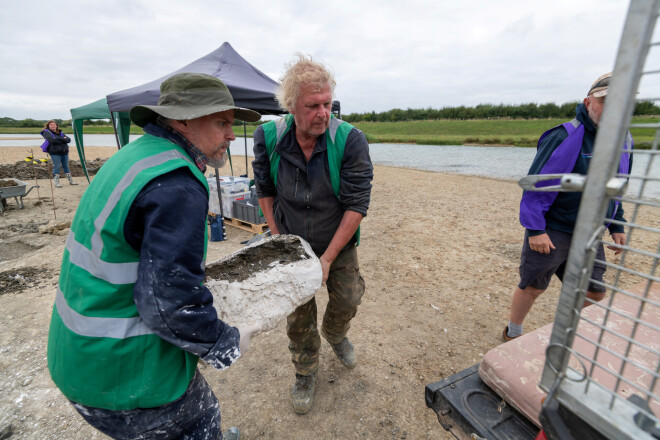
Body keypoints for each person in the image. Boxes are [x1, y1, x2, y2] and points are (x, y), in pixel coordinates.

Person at [47, 73, 262, 440]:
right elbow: (169, 304)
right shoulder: (176, 185)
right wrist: (221, 342)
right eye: (222, 122)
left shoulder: (136, 156)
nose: (230, 134)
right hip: (124, 372)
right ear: (181, 120)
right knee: (199, 420)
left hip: (78, 354)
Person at [252, 54, 373, 415]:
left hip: (338, 241)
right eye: (313, 106)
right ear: (290, 106)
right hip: (292, 244)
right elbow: (265, 191)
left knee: (349, 299)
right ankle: (305, 371)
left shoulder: (349, 140)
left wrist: (327, 259)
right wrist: (280, 241)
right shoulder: (269, 137)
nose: (323, 113)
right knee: (298, 316)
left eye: (328, 104)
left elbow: (356, 205)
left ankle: (335, 334)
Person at [503, 72, 633, 341]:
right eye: (604, 101)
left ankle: (575, 334)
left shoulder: (625, 140)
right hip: (554, 229)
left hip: (591, 232)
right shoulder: (564, 136)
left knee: (595, 292)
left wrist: (617, 224)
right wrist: (536, 229)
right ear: (588, 103)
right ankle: (513, 332)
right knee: (533, 287)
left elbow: (616, 186)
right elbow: (536, 185)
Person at [41, 120, 77, 187]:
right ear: (48, 126)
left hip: (64, 152)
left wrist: (58, 139)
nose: (53, 126)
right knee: (57, 166)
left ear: (57, 126)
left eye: (54, 124)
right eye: (51, 124)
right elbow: (52, 140)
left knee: (66, 166)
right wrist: (63, 139)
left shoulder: (60, 132)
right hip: (55, 153)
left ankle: (71, 181)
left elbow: (68, 140)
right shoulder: (46, 132)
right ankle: (56, 182)